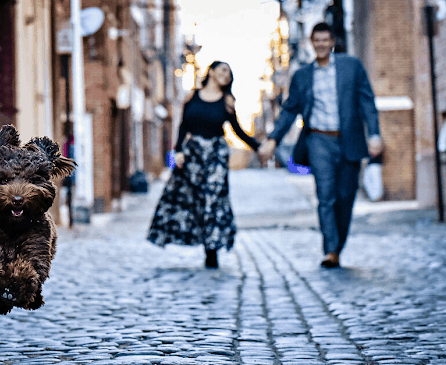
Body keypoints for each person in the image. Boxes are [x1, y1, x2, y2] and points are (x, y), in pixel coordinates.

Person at [258, 22, 383, 268]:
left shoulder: (351, 66)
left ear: (332, 41)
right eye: (317, 41)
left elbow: (367, 101)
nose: (321, 44)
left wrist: (375, 134)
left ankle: (338, 244)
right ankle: (330, 250)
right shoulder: (303, 76)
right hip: (318, 140)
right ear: (311, 43)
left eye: (325, 40)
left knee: (346, 196)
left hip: (349, 138)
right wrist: (273, 140)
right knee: (325, 196)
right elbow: (290, 109)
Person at [147, 61, 261, 269]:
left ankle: (212, 248)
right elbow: (183, 125)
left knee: (213, 198)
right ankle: (196, 240)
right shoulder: (192, 96)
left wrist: (258, 146)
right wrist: (178, 150)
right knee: (193, 199)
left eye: (229, 72)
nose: (226, 74)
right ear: (211, 71)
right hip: (193, 154)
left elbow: (237, 129)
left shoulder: (227, 101)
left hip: (216, 154)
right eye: (223, 69)